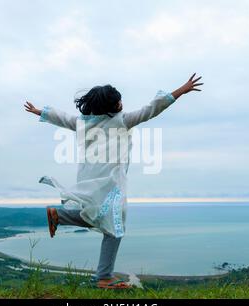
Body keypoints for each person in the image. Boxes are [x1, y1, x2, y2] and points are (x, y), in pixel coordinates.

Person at [24, 74, 203, 289]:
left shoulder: (83, 123)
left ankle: (60, 217)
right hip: (109, 183)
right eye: (118, 101)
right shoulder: (122, 121)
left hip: (90, 180)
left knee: (99, 219)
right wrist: (180, 90)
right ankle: (103, 277)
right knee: (114, 227)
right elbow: (151, 110)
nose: (121, 103)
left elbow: (63, 118)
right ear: (111, 107)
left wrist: (42, 112)